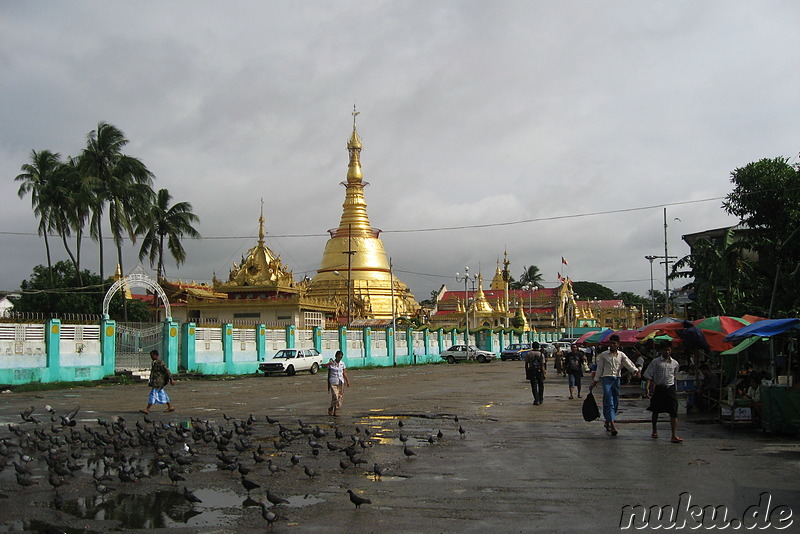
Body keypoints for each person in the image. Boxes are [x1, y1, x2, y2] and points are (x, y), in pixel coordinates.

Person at [589, 334, 638, 436]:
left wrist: (635, 371)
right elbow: (599, 369)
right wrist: (595, 381)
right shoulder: (603, 355)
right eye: (611, 343)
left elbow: (628, 364)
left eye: (614, 343)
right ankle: (612, 425)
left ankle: (608, 420)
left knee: (615, 401)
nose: (612, 345)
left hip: (616, 379)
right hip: (606, 379)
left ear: (618, 344)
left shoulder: (621, 355)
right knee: (609, 401)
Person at [643, 341, 682, 443]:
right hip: (659, 388)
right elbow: (649, 375)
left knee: (674, 411)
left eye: (669, 350)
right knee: (655, 410)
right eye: (665, 350)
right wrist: (647, 388)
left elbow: (675, 374)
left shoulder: (675, 363)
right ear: (661, 351)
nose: (667, 352)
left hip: (670, 388)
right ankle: (654, 430)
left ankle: (674, 435)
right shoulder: (655, 362)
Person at [322, 350, 350, 416]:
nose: (339, 358)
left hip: (340, 382)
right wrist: (329, 363)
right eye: (338, 357)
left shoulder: (342, 364)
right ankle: (331, 408)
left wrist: (347, 381)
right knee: (335, 396)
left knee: (340, 397)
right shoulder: (331, 364)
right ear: (336, 356)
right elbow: (323, 366)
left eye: (341, 357)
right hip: (333, 382)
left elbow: (344, 373)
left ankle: (334, 410)